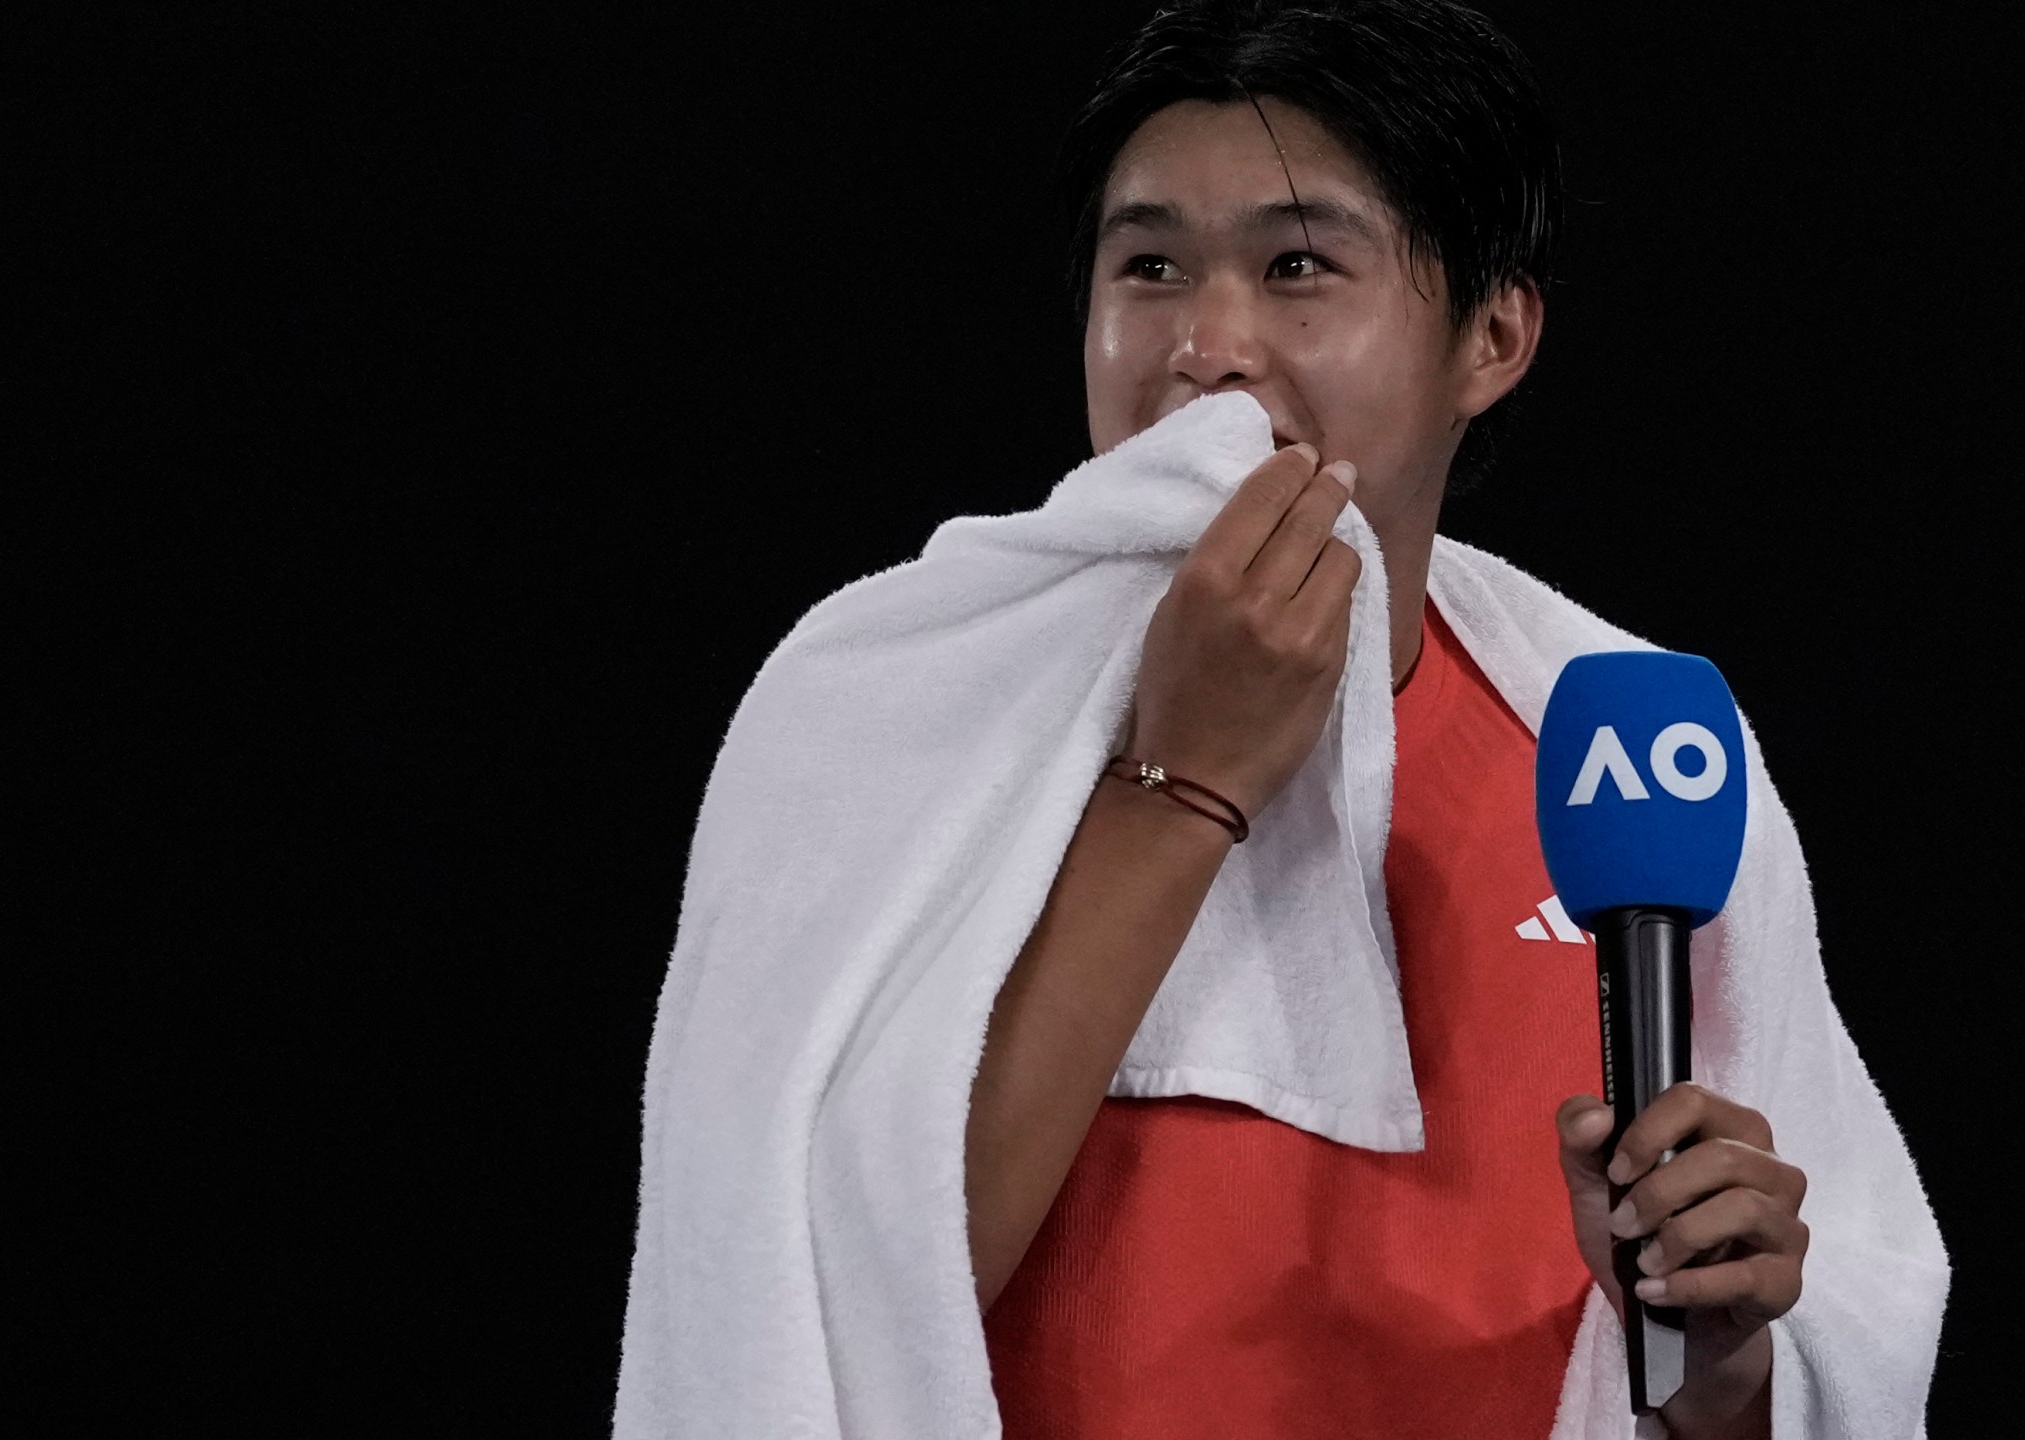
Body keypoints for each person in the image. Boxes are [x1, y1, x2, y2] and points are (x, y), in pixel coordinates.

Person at [614, 3, 1946, 1437]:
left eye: (1298, 265)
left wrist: (1733, 1367)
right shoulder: (876, 698)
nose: (1207, 347)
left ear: (1493, 335)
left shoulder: (1635, 743)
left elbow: (1805, 1365)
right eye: (1150, 267)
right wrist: (1183, 782)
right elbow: (792, 1314)